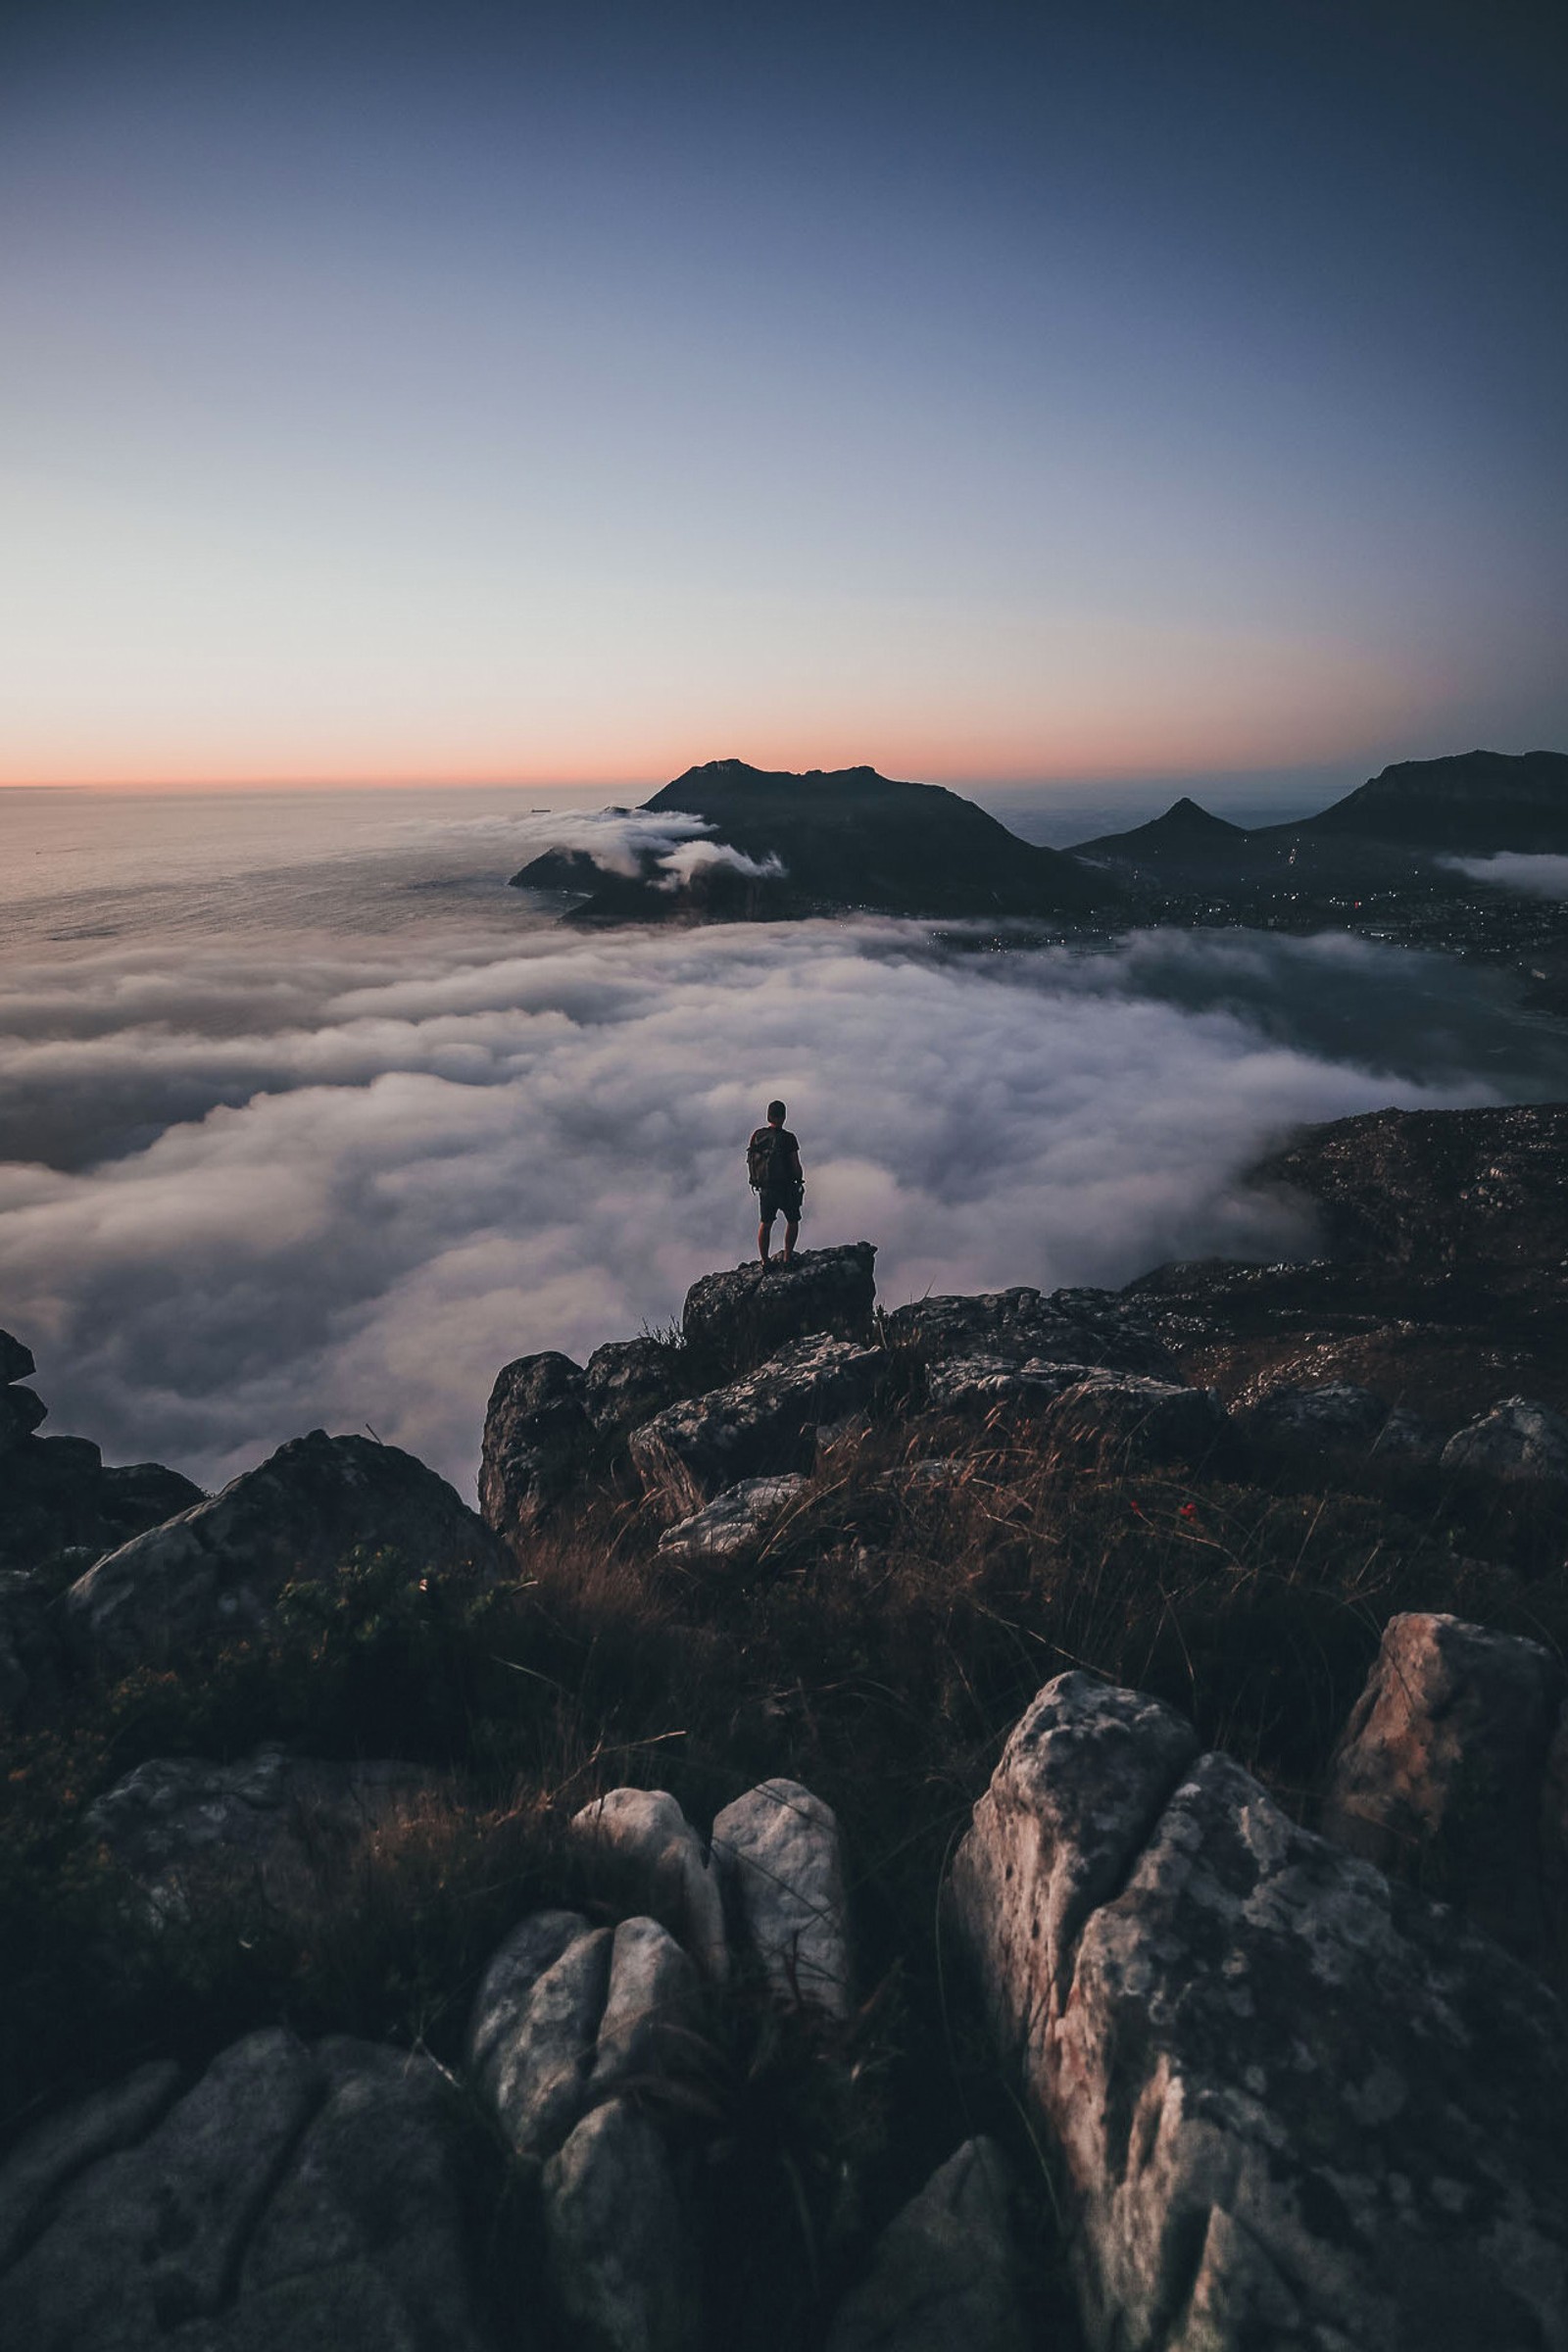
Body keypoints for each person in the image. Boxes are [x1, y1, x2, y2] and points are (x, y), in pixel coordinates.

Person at [748, 1100, 805, 1266]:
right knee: (793, 1221)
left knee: (765, 1224)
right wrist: (799, 1180)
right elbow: (795, 1165)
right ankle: (787, 1258)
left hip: (764, 1188)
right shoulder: (789, 1138)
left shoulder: (757, 1135)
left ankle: (765, 1261)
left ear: (768, 1116)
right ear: (784, 1117)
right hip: (785, 1188)